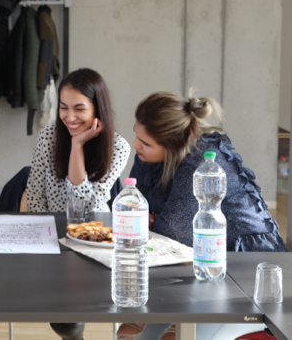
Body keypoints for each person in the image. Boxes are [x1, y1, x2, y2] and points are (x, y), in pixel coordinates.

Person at [119, 90, 287, 340]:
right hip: (201, 269)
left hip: (247, 274)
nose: (135, 144)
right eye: (136, 134)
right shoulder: (150, 151)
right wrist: (152, 218)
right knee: (140, 331)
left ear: (174, 145)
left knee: (179, 336)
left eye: (145, 142)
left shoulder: (204, 162)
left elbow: (172, 233)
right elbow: (135, 209)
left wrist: (157, 219)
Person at [25, 68, 130, 340]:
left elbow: (83, 206)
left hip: (94, 239)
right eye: (63, 107)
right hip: (51, 238)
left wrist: (77, 147)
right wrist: (41, 239)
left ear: (97, 108)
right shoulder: (48, 137)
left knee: (70, 312)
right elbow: (35, 195)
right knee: (63, 316)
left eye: (79, 109)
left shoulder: (118, 147)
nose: (69, 117)